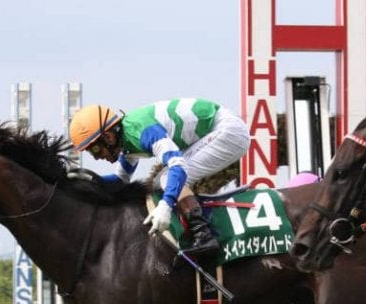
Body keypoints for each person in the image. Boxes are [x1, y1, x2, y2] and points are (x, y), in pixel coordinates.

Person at [69, 98, 250, 258]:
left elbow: (178, 165)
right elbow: (120, 181)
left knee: (166, 178)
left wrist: (165, 205)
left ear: (108, 137)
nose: (97, 158)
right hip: (217, 131)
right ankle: (196, 229)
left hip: (228, 131)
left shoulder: (141, 131)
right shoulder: (126, 141)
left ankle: (204, 234)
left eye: (95, 150)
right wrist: (88, 180)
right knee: (160, 181)